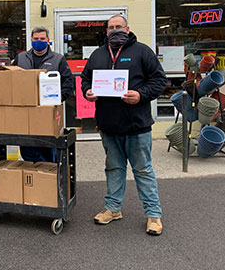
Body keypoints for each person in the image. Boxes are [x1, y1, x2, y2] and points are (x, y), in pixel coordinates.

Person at [80, 15, 167, 236]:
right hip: (109, 125)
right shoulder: (98, 54)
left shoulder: (142, 51)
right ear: (106, 30)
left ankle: (153, 215)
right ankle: (112, 209)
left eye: (118, 27)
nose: (114, 30)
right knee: (113, 169)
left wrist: (140, 95)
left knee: (143, 170)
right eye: (111, 27)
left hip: (136, 125)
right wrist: (87, 92)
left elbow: (159, 81)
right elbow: (85, 79)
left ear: (128, 28)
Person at [13, 26, 74, 162]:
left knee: (50, 150)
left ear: (48, 40)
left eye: (42, 38)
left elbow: (68, 82)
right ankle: (40, 174)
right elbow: (12, 81)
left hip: (48, 113)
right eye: (36, 39)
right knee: (27, 150)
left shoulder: (58, 59)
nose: (38, 41)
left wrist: (57, 100)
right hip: (26, 112)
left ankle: (50, 176)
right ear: (31, 40)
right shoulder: (21, 58)